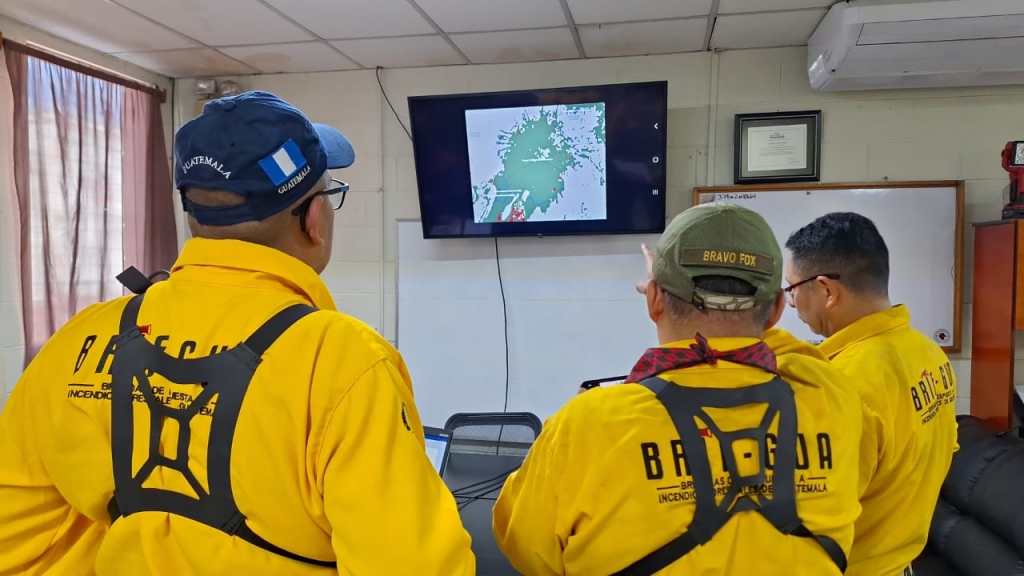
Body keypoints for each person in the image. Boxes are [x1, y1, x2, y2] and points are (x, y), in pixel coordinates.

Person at [0, 91, 475, 575]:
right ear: (314, 219)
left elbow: (14, 530)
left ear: (195, 217)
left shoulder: (82, 338)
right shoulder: (343, 362)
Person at [493, 204, 868, 575]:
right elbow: (786, 353)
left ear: (654, 300)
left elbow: (526, 548)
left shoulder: (587, 424)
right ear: (775, 312)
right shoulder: (832, 394)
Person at [784, 212, 958, 576]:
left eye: (792, 290)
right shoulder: (926, 352)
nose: (790, 303)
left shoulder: (842, 384)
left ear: (827, 291)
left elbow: (812, 519)